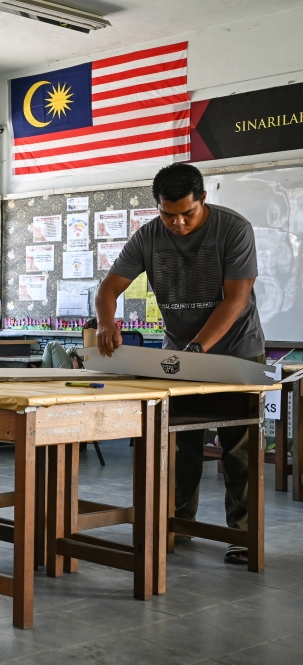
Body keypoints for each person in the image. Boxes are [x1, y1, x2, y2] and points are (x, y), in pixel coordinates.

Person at [94, 162, 265, 565]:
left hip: (236, 350)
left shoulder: (233, 229)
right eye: (168, 214)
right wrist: (105, 322)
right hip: (180, 354)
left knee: (238, 447)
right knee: (180, 444)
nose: (178, 224)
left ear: (202, 198)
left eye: (187, 213)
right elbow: (108, 289)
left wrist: (198, 348)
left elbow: (236, 299)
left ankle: (241, 534)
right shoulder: (148, 236)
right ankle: (178, 523)